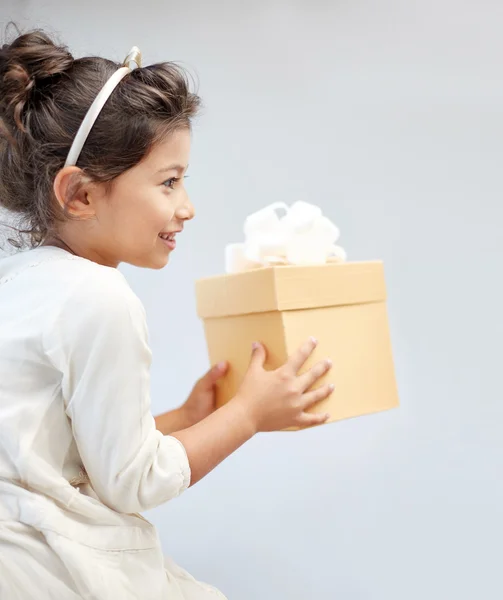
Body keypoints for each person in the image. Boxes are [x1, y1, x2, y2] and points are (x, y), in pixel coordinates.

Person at [0, 29, 334, 599]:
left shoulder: (21, 281)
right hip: (47, 566)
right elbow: (133, 482)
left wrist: (187, 416)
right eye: (169, 182)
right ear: (80, 194)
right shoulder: (99, 299)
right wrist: (248, 415)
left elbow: (76, 457)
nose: (187, 207)